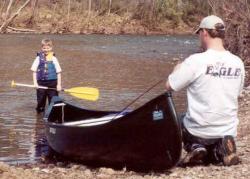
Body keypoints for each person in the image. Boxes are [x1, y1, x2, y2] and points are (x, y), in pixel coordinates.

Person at [166, 15, 245, 166]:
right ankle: (222, 149)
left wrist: (177, 68)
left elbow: (169, 85)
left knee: (178, 120)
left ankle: (195, 146)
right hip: (227, 128)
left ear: (204, 33)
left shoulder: (195, 61)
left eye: (199, 33)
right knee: (215, 147)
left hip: (199, 130)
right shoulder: (238, 63)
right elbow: (237, 93)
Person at [31, 38, 62, 113]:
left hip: (52, 83)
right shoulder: (38, 58)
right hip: (41, 83)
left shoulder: (54, 58)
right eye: (44, 48)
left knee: (53, 101)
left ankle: (53, 115)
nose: (46, 49)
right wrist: (35, 83)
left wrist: (59, 85)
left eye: (48, 48)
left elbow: (59, 72)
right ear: (41, 48)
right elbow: (34, 71)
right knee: (40, 101)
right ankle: (40, 119)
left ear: (51, 48)